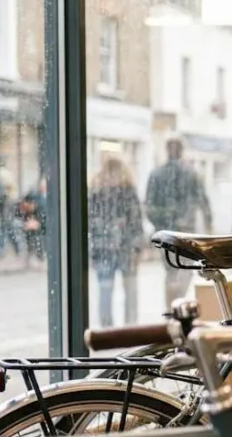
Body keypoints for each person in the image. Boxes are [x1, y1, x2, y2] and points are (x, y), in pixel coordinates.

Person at [146, 138, 212, 305]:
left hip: (166, 232)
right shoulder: (192, 173)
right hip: (186, 231)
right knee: (185, 270)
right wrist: (208, 225)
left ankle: (172, 307)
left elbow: (149, 207)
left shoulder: (156, 174)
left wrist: (159, 224)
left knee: (170, 272)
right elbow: (203, 202)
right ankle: (178, 301)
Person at [90, 157, 143, 327]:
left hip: (106, 249)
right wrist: (137, 247)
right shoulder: (126, 190)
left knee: (109, 289)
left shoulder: (96, 191)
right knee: (127, 289)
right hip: (121, 248)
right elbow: (136, 223)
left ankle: (110, 329)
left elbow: (89, 223)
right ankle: (128, 327)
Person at [19, 178, 47, 266]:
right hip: (37, 224)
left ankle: (38, 257)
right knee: (34, 240)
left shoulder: (43, 198)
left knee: (37, 241)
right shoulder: (37, 197)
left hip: (41, 224)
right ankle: (36, 258)